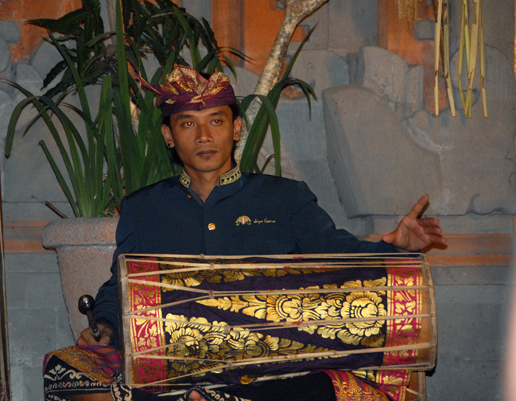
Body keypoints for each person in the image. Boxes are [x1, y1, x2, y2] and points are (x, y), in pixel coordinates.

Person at [46, 66, 446, 401]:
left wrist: (393, 245)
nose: (204, 136)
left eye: (216, 121)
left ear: (236, 129)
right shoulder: (145, 207)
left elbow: (338, 254)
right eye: (188, 124)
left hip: (266, 372)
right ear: (169, 136)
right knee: (66, 369)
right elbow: (121, 285)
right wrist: (106, 326)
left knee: (318, 387)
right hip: (171, 365)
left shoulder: (284, 197)